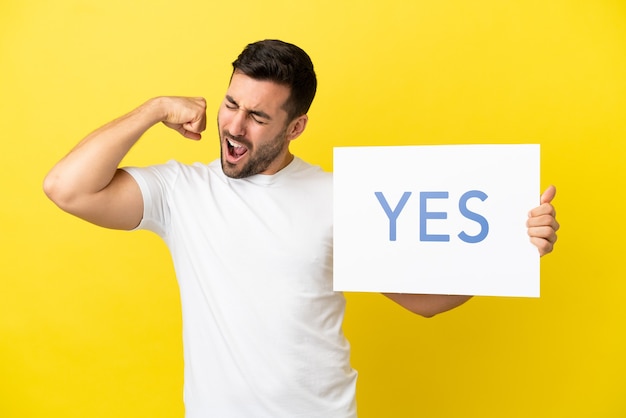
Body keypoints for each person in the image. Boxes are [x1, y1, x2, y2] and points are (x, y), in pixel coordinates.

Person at [43, 39, 559, 417]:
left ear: (295, 127)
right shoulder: (182, 193)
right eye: (231, 105)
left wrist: (508, 252)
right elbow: (67, 187)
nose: (234, 127)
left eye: (258, 117)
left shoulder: (342, 197)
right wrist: (153, 109)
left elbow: (421, 300)